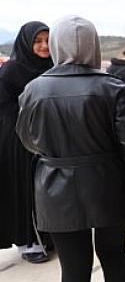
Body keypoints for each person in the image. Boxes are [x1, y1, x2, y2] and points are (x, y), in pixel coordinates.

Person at [16, 16, 125, 282]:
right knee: (114, 254)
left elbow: (28, 140)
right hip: (107, 182)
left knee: (73, 266)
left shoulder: (33, 90)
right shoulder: (113, 87)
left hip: (53, 185)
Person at [0, 21, 53, 263]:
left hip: (48, 138)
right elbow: (5, 107)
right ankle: (27, 241)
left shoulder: (54, 68)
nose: (44, 46)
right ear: (26, 43)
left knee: (48, 188)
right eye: (38, 41)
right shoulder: (11, 71)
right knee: (25, 189)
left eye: (47, 40)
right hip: (17, 139)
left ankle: (47, 237)